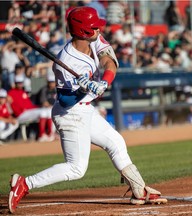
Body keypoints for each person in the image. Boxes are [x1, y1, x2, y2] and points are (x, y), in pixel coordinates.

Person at [8, 6, 167, 214]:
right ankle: (24, 184)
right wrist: (82, 90)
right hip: (70, 113)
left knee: (115, 141)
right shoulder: (65, 61)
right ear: (83, 31)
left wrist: (103, 83)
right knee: (76, 168)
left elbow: (109, 60)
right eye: (94, 26)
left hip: (85, 110)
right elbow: (65, 100)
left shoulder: (94, 40)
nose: (99, 29)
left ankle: (139, 189)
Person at [7, 75, 54, 142]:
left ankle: (50, 134)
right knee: (43, 112)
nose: (20, 84)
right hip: (20, 114)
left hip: (28, 112)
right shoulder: (10, 93)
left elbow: (29, 105)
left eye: (21, 82)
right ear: (15, 83)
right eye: (18, 83)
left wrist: (37, 107)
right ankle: (41, 135)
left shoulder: (23, 92)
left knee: (48, 111)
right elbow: (10, 107)